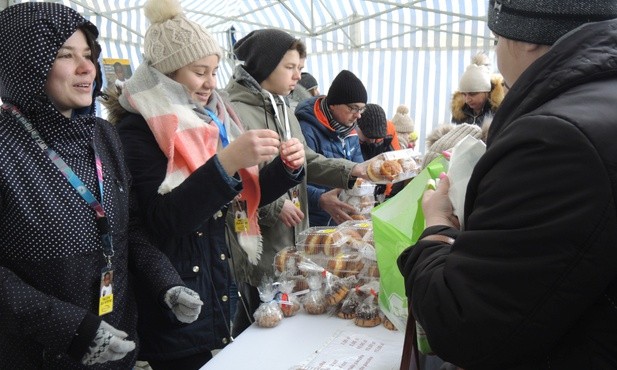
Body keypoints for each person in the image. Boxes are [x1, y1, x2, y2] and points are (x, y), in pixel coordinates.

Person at [398, 1, 617, 369]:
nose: (497, 53)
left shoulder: (555, 139)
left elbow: (460, 325)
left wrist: (436, 228)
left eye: (496, 38)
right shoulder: (599, 99)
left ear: (530, 36)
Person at [103, 1, 306, 369]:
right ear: (167, 72)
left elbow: (241, 199)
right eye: (200, 72)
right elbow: (163, 220)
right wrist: (227, 162)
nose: (212, 83)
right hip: (178, 300)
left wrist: (284, 170)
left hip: (218, 282)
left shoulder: (211, 119)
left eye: (214, 71)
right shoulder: (138, 129)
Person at [0, 3, 203, 369]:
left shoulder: (103, 136)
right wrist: (70, 329)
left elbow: (130, 229)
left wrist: (165, 283)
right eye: (65, 55)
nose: (87, 68)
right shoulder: (6, 147)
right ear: (25, 63)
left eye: (89, 55)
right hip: (41, 354)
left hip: (120, 346)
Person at [225, 28, 367, 337]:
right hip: (260, 245)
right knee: (258, 324)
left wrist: (354, 170)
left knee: (287, 321)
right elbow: (234, 181)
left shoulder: (283, 108)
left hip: (294, 240)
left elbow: (306, 160)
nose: (296, 77)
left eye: (300, 69)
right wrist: (277, 205)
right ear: (265, 65)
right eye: (290, 68)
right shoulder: (232, 110)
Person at [295, 69, 366, 226]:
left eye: (361, 109)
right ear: (333, 104)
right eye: (353, 108)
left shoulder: (351, 130)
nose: (358, 115)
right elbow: (298, 178)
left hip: (342, 215)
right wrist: (320, 198)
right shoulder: (306, 129)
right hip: (313, 220)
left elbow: (359, 166)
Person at [450, 53, 504, 126]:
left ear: (486, 91)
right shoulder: (460, 114)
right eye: (464, 94)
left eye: (472, 94)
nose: (467, 100)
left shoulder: (500, 113)